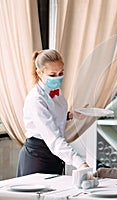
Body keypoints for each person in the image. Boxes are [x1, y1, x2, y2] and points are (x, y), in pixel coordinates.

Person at [17, 49, 89, 177]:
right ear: (39, 73)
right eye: (53, 74)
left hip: (54, 155)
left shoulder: (55, 90)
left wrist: (70, 115)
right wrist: (80, 163)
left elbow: (51, 115)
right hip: (38, 157)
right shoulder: (36, 99)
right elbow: (54, 139)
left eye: (61, 73)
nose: (58, 78)